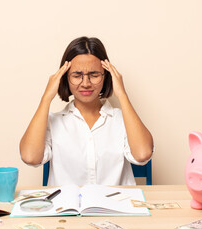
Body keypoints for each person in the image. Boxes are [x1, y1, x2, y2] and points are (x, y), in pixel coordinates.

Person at [20, 36, 153, 186]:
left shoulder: (122, 120)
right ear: (65, 78)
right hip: (68, 208)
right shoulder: (52, 122)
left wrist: (122, 94)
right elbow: (30, 157)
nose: (85, 83)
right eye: (77, 76)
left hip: (115, 207)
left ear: (106, 76)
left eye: (94, 75)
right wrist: (46, 98)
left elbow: (143, 154)